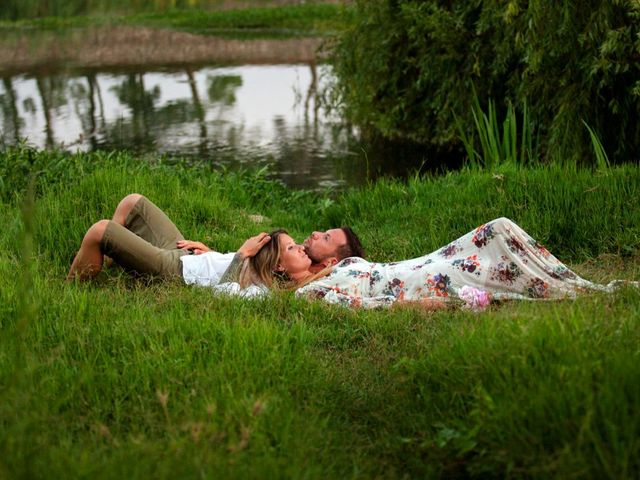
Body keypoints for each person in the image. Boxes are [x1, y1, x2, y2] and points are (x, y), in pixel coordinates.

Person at [215, 217, 638, 309]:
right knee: (503, 272)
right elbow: (367, 307)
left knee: (500, 230)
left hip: (423, 264)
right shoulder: (312, 291)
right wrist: (240, 258)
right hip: (425, 281)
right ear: (281, 270)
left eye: (306, 243)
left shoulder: (328, 269)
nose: (304, 245)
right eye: (294, 249)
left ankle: (584, 287)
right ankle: (585, 294)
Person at [66, 194, 365, 287]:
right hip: (192, 257)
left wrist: (239, 255)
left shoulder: (296, 278)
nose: (312, 236)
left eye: (325, 237)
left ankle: (71, 290)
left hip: (177, 270)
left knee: (101, 230)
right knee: (133, 203)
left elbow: (231, 289)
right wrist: (214, 254)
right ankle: (111, 260)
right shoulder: (294, 264)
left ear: (330, 261)